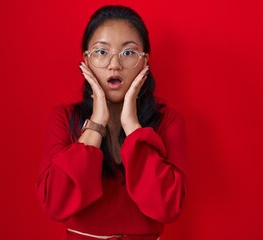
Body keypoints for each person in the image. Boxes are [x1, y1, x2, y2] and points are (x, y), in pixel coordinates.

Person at [36, 5, 187, 240]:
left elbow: (168, 207)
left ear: (144, 61)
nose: (114, 64)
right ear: (86, 60)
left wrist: (131, 125)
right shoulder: (64, 118)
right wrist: (97, 122)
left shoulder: (168, 121)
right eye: (101, 52)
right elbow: (55, 204)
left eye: (128, 53)